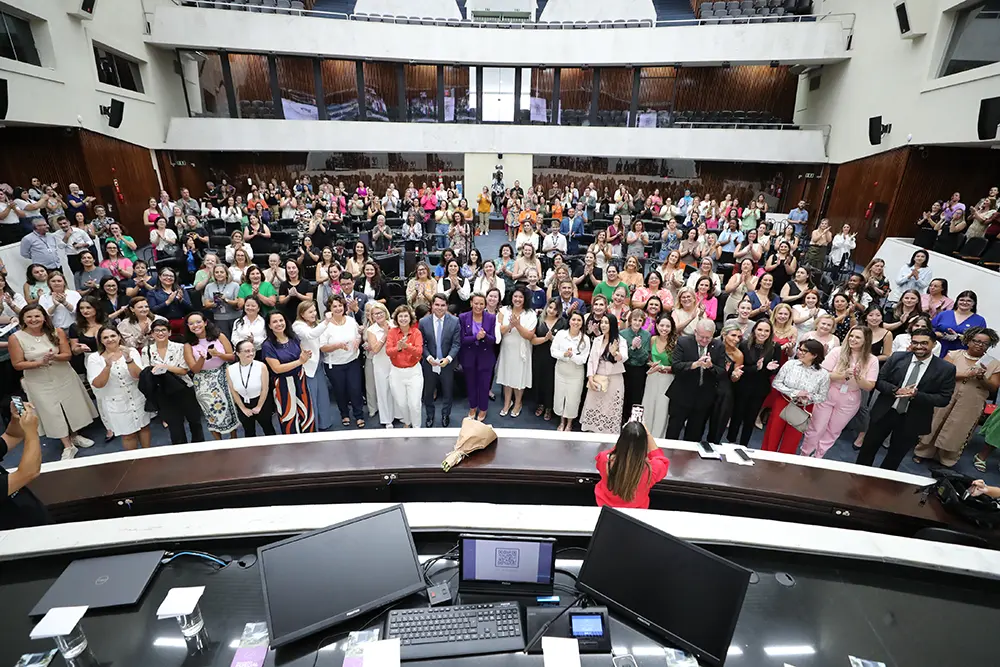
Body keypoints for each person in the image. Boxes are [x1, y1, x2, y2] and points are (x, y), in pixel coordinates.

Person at [855, 329, 956, 470]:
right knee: (867, 450)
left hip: (913, 418)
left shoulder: (946, 369)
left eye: (924, 343)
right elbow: (880, 381)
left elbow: (944, 399)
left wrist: (916, 395)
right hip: (885, 411)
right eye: (915, 342)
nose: (919, 346)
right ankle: (857, 478)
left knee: (895, 457)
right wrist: (896, 390)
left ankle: (882, 485)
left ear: (934, 344)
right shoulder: (897, 357)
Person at [9, 305, 98, 459]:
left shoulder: (57, 332)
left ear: (44, 317)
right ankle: (67, 446)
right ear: (23, 318)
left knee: (70, 407)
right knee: (51, 412)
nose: (33, 320)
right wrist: (39, 363)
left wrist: (54, 357)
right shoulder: (16, 338)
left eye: (37, 316)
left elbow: (67, 355)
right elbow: (17, 364)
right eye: (29, 316)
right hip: (38, 381)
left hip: (63, 375)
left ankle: (74, 435)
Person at [915, 327, 999, 468]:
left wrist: (982, 377)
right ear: (968, 340)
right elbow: (941, 373)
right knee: (934, 422)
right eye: (976, 341)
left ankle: (946, 459)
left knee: (958, 429)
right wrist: (968, 375)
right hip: (946, 394)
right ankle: (922, 453)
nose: (980, 345)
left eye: (985, 343)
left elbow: (994, 387)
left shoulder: (994, 363)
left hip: (972, 401)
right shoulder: (954, 354)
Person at [799, 326, 878, 459]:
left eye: (858, 337)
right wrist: (842, 375)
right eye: (851, 336)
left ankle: (818, 457)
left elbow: (870, 386)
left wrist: (858, 377)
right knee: (816, 428)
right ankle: (804, 454)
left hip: (850, 398)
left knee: (833, 431)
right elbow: (822, 374)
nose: (853, 339)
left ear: (866, 340)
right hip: (828, 392)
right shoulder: (837, 351)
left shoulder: (872, 360)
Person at [86, 326, 151, 450]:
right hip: (116, 403)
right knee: (128, 435)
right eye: (105, 337)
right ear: (100, 340)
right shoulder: (94, 358)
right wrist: (107, 367)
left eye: (113, 336)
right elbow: (98, 384)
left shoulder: (130, 351)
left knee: (144, 428)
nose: (110, 339)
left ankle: (148, 457)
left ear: (119, 336)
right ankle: (134, 462)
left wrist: (129, 359)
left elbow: (138, 376)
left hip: (137, 397)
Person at [762, 339, 830, 454]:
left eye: (804, 351)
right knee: (773, 433)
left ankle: (783, 465)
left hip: (803, 407)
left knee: (792, 439)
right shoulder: (790, 364)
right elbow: (776, 383)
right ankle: (765, 459)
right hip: (783, 402)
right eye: (799, 349)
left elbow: (822, 396)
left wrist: (808, 397)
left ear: (814, 355)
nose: (800, 352)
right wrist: (794, 393)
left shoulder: (823, 374)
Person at [142, 319, 204, 444]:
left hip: (183, 388)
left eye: (164, 330)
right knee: (174, 425)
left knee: (194, 421)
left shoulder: (180, 347)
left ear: (169, 332)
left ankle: (199, 447)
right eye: (157, 331)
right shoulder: (146, 350)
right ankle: (180, 452)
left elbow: (184, 370)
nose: (160, 333)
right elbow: (147, 370)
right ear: (152, 334)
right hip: (163, 392)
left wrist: (164, 368)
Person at [183, 312, 239, 440]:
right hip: (203, 381)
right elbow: (194, 369)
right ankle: (218, 441)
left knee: (230, 407)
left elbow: (232, 357)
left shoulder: (219, 337)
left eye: (198, 322)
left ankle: (234, 437)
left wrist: (218, 354)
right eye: (191, 324)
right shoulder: (187, 345)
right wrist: (202, 359)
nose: (195, 326)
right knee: (210, 410)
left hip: (223, 375)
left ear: (205, 322)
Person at [594, 420, 669, 510]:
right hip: (636, 511)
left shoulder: (604, 458)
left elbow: (614, 454)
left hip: (604, 507)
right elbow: (662, 460)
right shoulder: (652, 469)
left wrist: (628, 437)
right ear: (644, 445)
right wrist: (648, 435)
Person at [263, 311, 316, 434]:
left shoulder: (293, 337)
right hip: (283, 384)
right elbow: (277, 368)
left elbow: (302, 354)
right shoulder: (268, 345)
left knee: (306, 412)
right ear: (269, 326)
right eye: (275, 321)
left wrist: (306, 355)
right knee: (288, 415)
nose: (279, 324)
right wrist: (300, 361)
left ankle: (309, 442)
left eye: (281, 320)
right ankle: (293, 446)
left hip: (299, 379)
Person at [1, 401, 51, 529]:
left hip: (32, 514)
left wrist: (16, 419)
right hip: (18, 537)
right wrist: (32, 432)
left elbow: (11, 436)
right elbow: (29, 472)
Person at [319, 295, 366, 429]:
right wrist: (337, 346)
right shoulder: (325, 326)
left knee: (355, 389)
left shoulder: (351, 321)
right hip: (334, 365)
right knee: (340, 391)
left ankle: (359, 415)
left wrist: (358, 340)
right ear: (329, 309)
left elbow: (358, 335)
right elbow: (322, 347)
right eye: (334, 306)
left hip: (352, 361)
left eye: (340, 305)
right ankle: (344, 414)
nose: (338, 308)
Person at [291, 300, 336, 431]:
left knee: (322, 395)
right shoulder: (298, 326)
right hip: (307, 366)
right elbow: (311, 335)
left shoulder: (313, 324)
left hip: (318, 364)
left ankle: (324, 423)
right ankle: (312, 426)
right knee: (311, 398)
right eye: (310, 312)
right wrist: (326, 321)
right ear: (302, 314)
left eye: (315, 310)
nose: (314, 314)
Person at [579, 314, 627, 434]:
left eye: (607, 323)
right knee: (594, 406)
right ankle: (592, 430)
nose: (603, 325)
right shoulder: (597, 340)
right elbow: (591, 360)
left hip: (614, 379)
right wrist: (590, 378)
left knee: (610, 409)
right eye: (602, 322)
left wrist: (615, 353)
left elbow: (624, 357)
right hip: (597, 379)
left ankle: (607, 433)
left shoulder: (620, 340)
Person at [418, 295, 460, 428]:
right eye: (437, 305)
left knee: (448, 392)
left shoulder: (455, 321)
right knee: (428, 392)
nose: (439, 308)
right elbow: (422, 344)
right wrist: (429, 357)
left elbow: (456, 344)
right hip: (429, 364)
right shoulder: (423, 322)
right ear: (432, 306)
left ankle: (445, 415)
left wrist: (448, 359)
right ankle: (429, 415)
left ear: (447, 306)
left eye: (442, 305)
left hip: (446, 364)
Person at [496, 287, 537, 418]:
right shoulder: (504, 310)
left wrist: (518, 325)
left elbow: (530, 336)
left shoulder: (530, 314)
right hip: (507, 349)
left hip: (522, 350)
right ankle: (507, 402)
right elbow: (499, 330)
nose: (517, 299)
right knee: (507, 377)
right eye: (515, 296)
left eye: (520, 297)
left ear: (525, 299)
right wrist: (510, 325)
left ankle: (518, 403)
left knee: (519, 378)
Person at [458, 294, 499, 422]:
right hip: (469, 357)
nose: (478, 306)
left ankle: (483, 409)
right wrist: (476, 338)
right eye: (476, 303)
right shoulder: (463, 317)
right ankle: (472, 407)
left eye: (481, 304)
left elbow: (493, 340)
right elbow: (462, 340)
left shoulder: (491, 318)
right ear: (471, 303)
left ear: (485, 305)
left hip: (485, 357)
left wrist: (485, 336)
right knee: (471, 384)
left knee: (484, 385)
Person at [550, 311, 591, 432]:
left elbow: (583, 359)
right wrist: (564, 354)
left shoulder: (585, 339)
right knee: (560, 396)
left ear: (582, 322)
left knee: (573, 399)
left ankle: (569, 424)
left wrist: (571, 355)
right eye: (574, 319)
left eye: (579, 320)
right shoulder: (561, 335)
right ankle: (562, 421)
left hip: (576, 374)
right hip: (560, 371)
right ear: (569, 321)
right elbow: (553, 352)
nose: (576, 322)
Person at [227, 339, 276, 437]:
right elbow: (233, 391)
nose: (251, 353)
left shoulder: (261, 366)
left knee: (268, 428)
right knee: (249, 432)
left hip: (262, 401)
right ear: (238, 353)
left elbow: (265, 388)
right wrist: (243, 408)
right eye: (247, 351)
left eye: (252, 350)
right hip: (242, 402)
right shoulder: (230, 369)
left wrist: (259, 406)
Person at [385, 305, 424, 428]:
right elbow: (388, 351)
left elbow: (419, 352)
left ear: (410, 317)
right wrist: (399, 348)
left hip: (413, 372)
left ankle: (417, 427)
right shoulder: (392, 332)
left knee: (414, 404)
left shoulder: (416, 333)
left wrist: (406, 346)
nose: (403, 319)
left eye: (405, 316)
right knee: (401, 403)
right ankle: (407, 422)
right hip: (397, 372)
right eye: (400, 316)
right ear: (396, 318)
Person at [365, 302, 398, 428]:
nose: (378, 316)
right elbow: (375, 349)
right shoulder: (371, 330)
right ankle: (387, 419)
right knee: (383, 390)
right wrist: (385, 334)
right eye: (375, 314)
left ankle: (398, 415)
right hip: (380, 363)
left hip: (395, 361)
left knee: (396, 389)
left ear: (385, 313)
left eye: (380, 313)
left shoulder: (394, 325)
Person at [932, 290, 986, 358]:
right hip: (939, 351)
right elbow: (930, 329)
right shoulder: (944, 314)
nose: (964, 302)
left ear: (974, 304)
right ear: (957, 301)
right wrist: (942, 335)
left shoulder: (979, 320)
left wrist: (959, 337)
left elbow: (981, 340)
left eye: (969, 301)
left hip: (963, 355)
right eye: (961, 300)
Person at [147, 268, 193, 337]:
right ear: (159, 277)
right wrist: (167, 302)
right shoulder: (153, 292)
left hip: (181, 322)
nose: (168, 277)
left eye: (171, 276)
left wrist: (181, 300)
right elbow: (152, 310)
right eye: (165, 275)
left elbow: (190, 308)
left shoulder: (181, 290)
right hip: (162, 325)